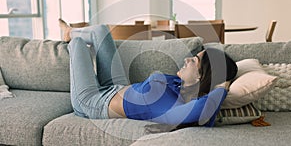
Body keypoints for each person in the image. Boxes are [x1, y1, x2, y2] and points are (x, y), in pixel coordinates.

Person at [59, 19, 238, 127]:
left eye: (194, 61)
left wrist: (223, 85)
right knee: (100, 30)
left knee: (78, 44)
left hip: (93, 103)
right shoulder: (179, 83)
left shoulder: (176, 108)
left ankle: (71, 37)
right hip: (117, 86)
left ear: (202, 76)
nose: (187, 60)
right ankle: (69, 31)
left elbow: (204, 108)